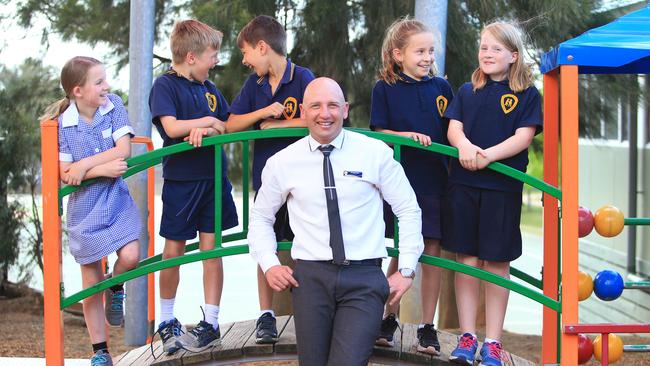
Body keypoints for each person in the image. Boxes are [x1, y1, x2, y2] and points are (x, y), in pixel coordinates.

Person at [248, 77, 424, 366]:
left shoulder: (374, 153)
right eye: (315, 106)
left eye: (332, 105)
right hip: (310, 278)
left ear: (345, 109)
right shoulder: (283, 162)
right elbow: (261, 217)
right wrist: (269, 263)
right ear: (303, 112)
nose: (324, 114)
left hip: (364, 278)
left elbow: (408, 208)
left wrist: (406, 268)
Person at [442, 21, 542, 366]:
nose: (487, 54)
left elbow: (522, 137)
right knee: (466, 259)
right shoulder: (467, 90)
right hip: (464, 184)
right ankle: (468, 337)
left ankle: (493, 341)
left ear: (513, 55)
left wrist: (488, 157)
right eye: (483, 47)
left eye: (496, 49)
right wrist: (466, 146)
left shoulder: (528, 95)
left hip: (502, 187)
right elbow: (454, 127)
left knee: (497, 262)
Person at [42, 56, 141, 366]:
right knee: (90, 285)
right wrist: (101, 169)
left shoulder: (113, 106)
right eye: (98, 82)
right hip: (84, 210)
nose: (106, 86)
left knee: (130, 256)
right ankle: (100, 351)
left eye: (105, 80)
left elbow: (123, 151)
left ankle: (117, 284)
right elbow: (63, 172)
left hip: (116, 200)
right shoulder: (64, 126)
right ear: (78, 91)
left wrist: (84, 166)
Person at [149, 19, 239, 354]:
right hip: (182, 183)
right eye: (212, 55)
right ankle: (167, 320)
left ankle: (211, 322)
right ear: (190, 57)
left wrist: (212, 128)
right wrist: (205, 122)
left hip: (214, 180)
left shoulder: (211, 90)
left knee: (211, 252)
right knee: (173, 251)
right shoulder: (166, 86)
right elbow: (171, 127)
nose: (216, 61)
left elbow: (225, 126)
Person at [227, 14, 315, 344]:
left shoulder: (303, 77)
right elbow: (231, 123)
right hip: (266, 183)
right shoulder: (256, 86)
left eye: (247, 53)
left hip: (303, 182)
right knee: (266, 244)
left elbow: (314, 119)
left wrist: (277, 126)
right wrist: (263, 113)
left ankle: (307, 312)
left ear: (263, 47)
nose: (245, 61)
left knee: (305, 247)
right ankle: (266, 315)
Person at [370, 17, 453, 355]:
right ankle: (388, 317)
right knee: (398, 252)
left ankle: (427, 326)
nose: (427, 57)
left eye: (431, 50)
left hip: (434, 183)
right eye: (420, 51)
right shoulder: (385, 88)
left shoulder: (442, 89)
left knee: (431, 253)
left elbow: (453, 131)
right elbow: (378, 133)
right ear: (398, 54)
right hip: (397, 184)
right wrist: (404, 137)